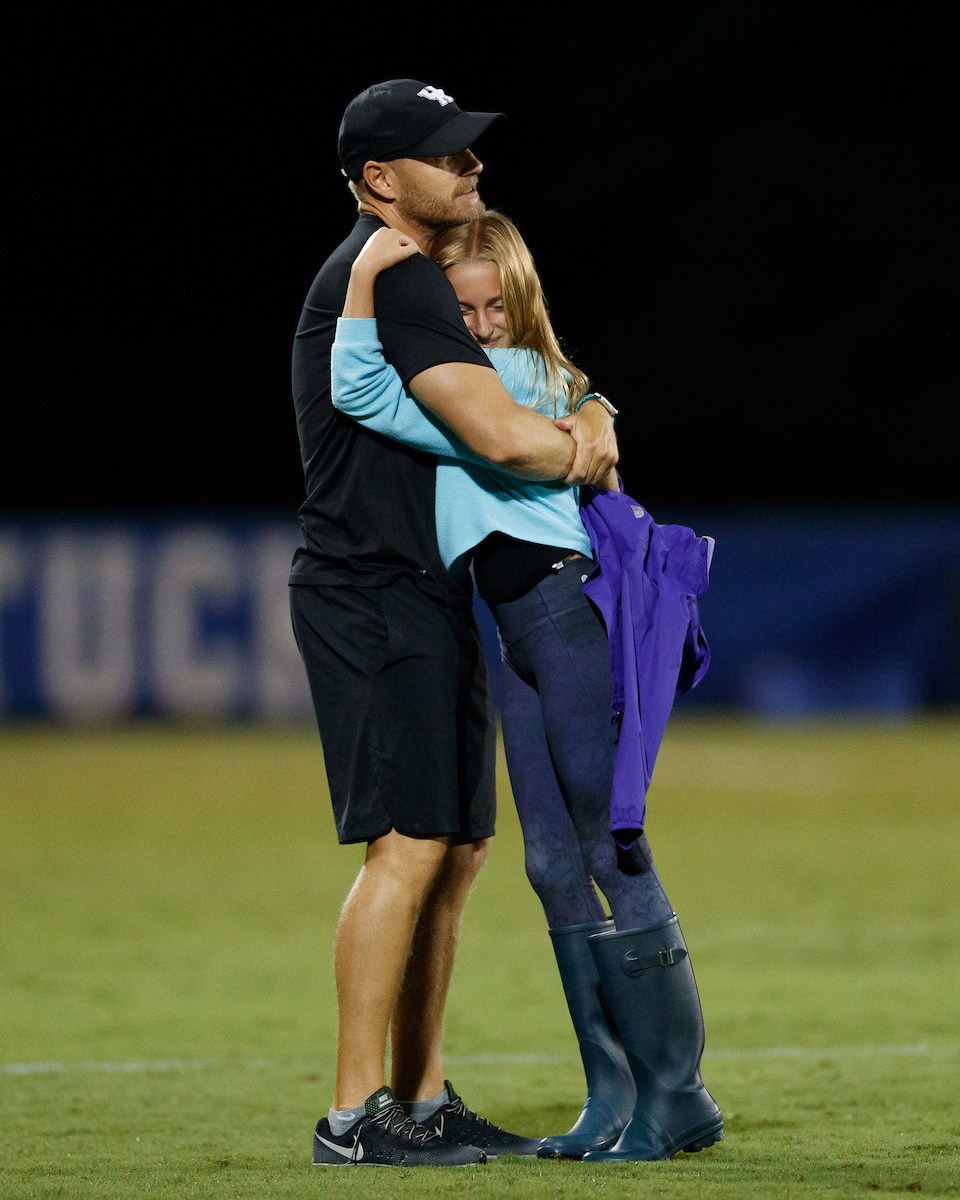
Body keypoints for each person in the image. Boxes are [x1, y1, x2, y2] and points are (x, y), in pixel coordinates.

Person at [329, 211, 724, 1163]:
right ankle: (613, 1096)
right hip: (515, 632)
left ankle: (676, 1097)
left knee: (608, 842)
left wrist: (361, 278)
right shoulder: (523, 384)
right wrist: (596, 412)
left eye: (496, 304)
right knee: (551, 862)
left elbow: (358, 384)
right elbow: (587, 406)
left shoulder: (498, 384)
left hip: (564, 614)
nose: (480, 324)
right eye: (461, 309)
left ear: (523, 302)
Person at [289, 80, 618, 1169]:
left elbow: (535, 388)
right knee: (410, 842)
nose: (472, 167)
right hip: (373, 590)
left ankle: (420, 1098)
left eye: (472, 152)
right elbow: (497, 435)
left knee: (459, 847)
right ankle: (352, 1116)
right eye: (446, 155)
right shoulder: (392, 275)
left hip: (424, 585)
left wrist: (591, 407)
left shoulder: (400, 273)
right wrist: (578, 446)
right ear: (381, 180)